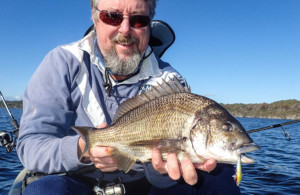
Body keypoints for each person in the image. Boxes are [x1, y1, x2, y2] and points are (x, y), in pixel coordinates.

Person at [17, 0, 240, 194]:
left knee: (219, 174)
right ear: (95, 20)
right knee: (43, 190)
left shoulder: (169, 80)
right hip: (75, 180)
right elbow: (30, 145)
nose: (125, 29)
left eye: (138, 19)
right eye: (111, 16)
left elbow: (160, 173)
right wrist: (82, 149)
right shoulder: (61, 63)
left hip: (145, 184)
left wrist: (165, 169)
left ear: (149, 25)